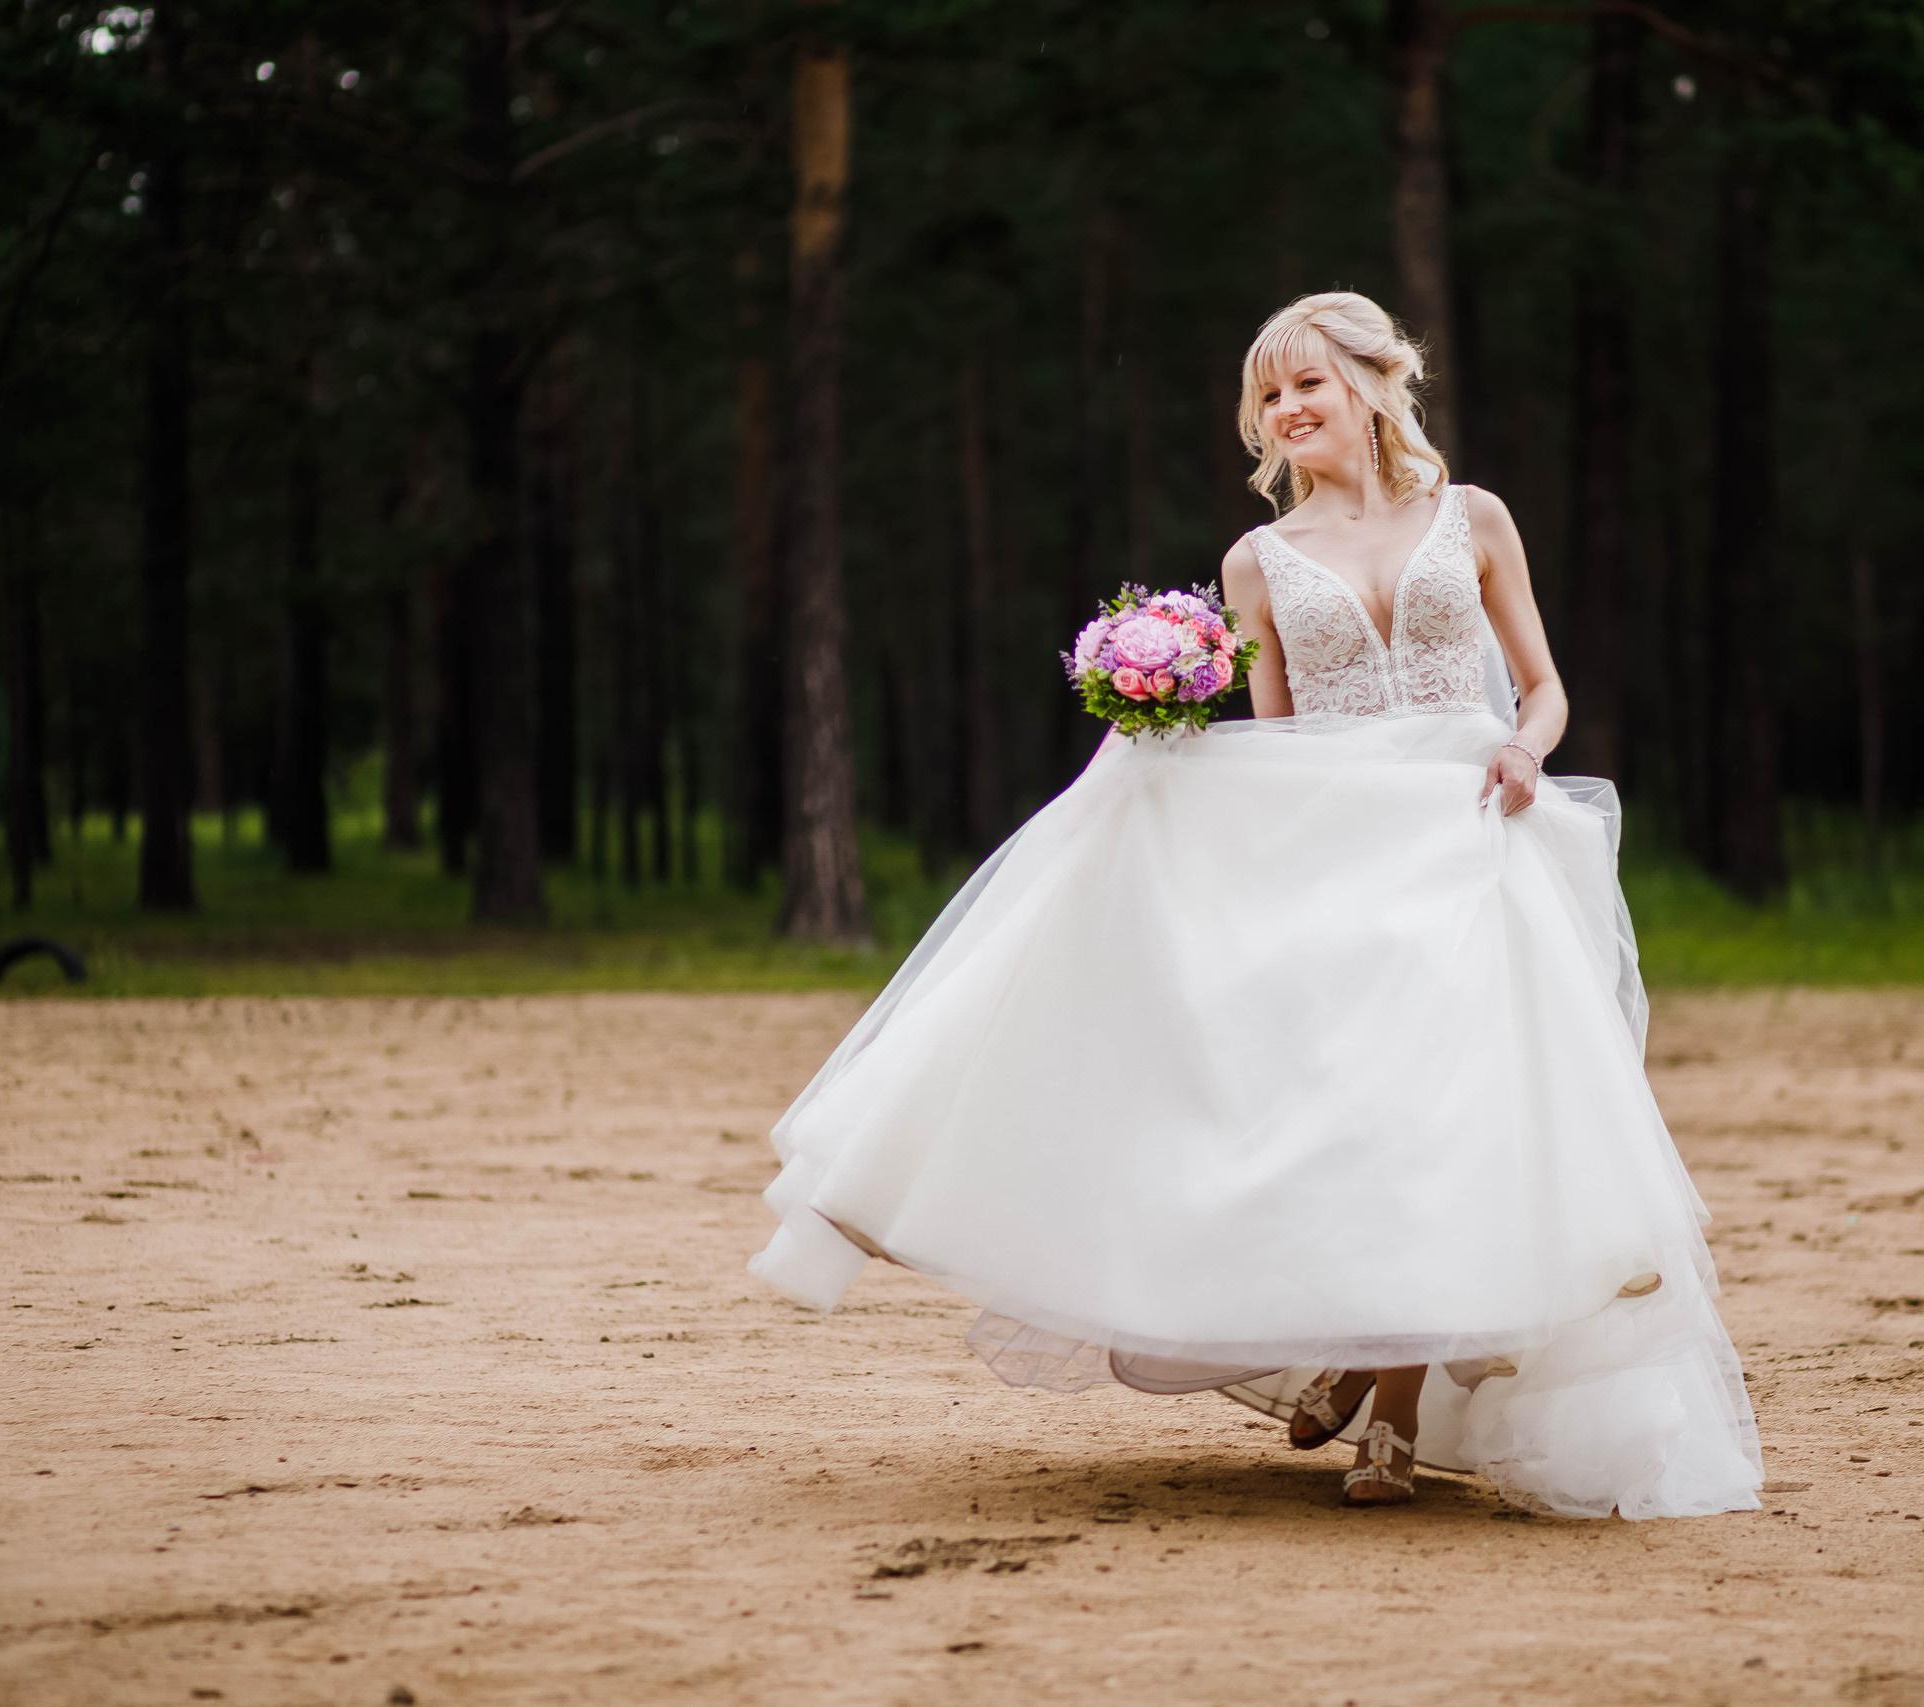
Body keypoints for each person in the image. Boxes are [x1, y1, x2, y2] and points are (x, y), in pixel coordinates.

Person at [751, 291, 1763, 1518]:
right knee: (1352, 1119)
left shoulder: (1476, 518)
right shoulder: (1259, 562)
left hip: (1470, 841)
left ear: (1373, 385)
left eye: (1306, 387)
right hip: (1338, 858)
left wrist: (1522, 752)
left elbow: (1542, 689)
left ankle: (1389, 1416)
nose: (1286, 413)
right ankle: (1352, 1337)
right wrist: (1158, 728)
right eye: (1267, 398)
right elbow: (1272, 738)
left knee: (1444, 1120)